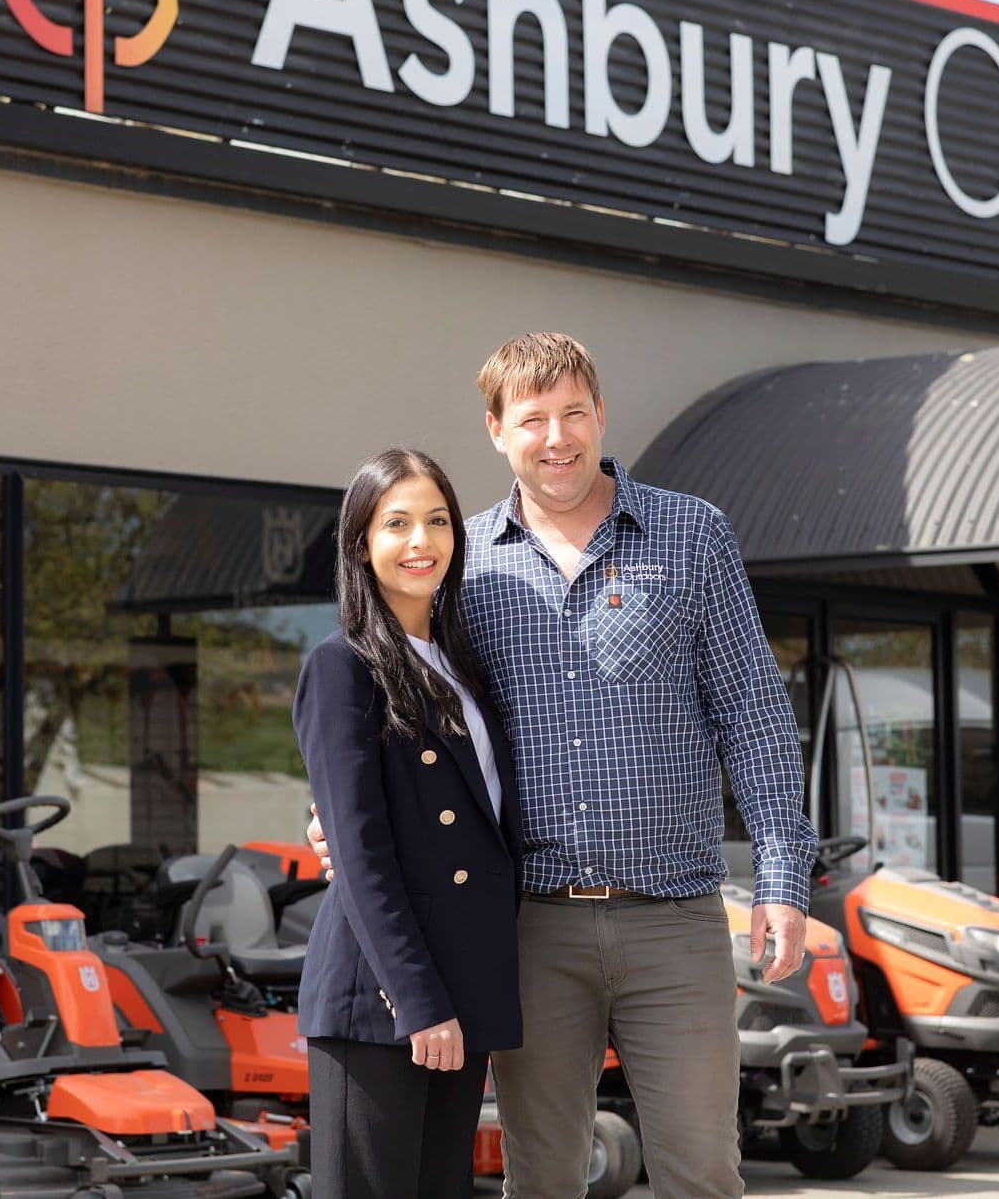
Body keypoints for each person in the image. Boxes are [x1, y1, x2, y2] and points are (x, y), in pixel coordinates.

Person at [313, 333, 818, 1199]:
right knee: (543, 1176)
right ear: (496, 431)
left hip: (676, 916)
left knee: (702, 1172)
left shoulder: (691, 535)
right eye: (533, 419)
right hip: (527, 927)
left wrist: (782, 871)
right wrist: (331, 811)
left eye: (574, 413)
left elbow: (756, 714)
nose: (557, 437)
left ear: (601, 415)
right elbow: (394, 717)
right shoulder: (460, 567)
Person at [293, 447, 522, 1199]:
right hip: (383, 997)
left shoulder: (464, 664)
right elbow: (360, 852)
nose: (420, 541)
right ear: (361, 542)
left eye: (437, 521)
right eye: (397, 523)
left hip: (463, 986)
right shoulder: (342, 665)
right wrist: (418, 1001)